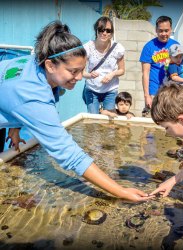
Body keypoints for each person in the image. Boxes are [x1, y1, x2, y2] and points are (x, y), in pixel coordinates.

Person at [0, 21, 151, 203]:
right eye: (73, 71)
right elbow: (69, 154)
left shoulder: (35, 62)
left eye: (82, 70)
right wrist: (121, 191)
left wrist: (14, 127)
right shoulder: (33, 96)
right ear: (50, 65)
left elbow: (10, 96)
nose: (80, 77)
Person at [83, 16, 125, 114]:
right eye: (101, 29)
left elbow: (122, 70)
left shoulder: (118, 48)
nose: (104, 33)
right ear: (96, 30)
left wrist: (112, 74)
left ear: (111, 33)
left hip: (110, 90)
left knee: (109, 122)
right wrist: (89, 75)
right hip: (92, 90)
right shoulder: (88, 47)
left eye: (108, 30)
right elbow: (81, 72)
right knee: (94, 120)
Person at [139, 16, 179, 116]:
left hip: (171, 92)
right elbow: (145, 73)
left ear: (171, 29)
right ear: (156, 30)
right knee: (153, 122)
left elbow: (181, 69)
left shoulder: (176, 45)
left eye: (166, 30)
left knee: (170, 122)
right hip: (154, 91)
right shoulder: (149, 46)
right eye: (160, 31)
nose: (164, 34)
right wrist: (147, 96)